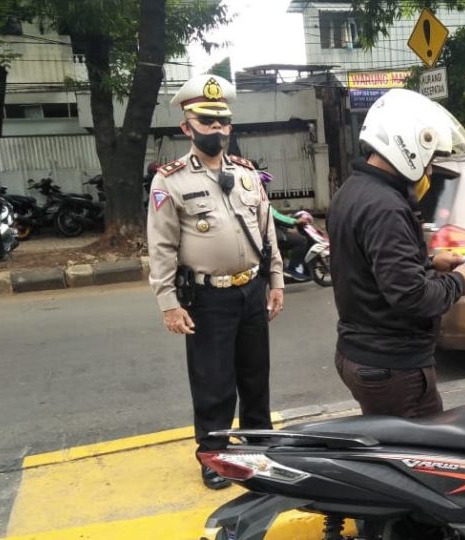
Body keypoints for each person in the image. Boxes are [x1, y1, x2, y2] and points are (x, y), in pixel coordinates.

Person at [147, 74, 285, 490]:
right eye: (207, 122)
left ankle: (258, 445)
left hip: (251, 289)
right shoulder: (169, 181)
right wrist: (169, 303)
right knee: (213, 381)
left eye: (223, 121)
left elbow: (266, 232)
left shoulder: (246, 174)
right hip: (208, 296)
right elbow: (161, 246)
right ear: (187, 126)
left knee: (255, 375)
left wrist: (275, 279)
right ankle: (214, 456)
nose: (217, 129)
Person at [327, 88, 465, 419]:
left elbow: (369, 266)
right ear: (408, 145)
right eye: (429, 158)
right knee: (426, 460)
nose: (429, 170)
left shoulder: (351, 191)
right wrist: (459, 281)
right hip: (393, 367)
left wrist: (429, 263)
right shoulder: (386, 206)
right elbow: (412, 295)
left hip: (362, 354)